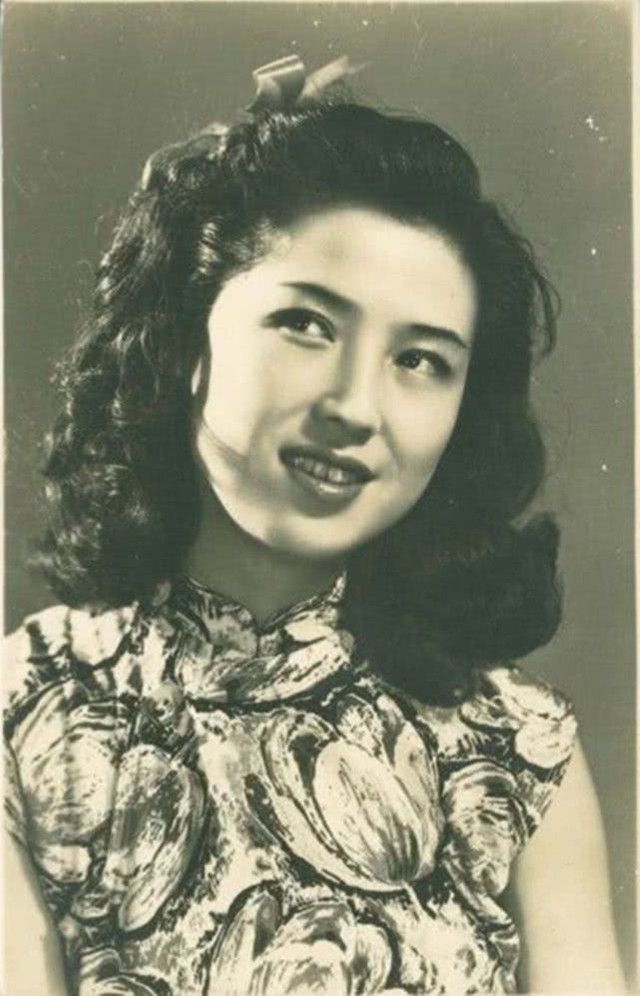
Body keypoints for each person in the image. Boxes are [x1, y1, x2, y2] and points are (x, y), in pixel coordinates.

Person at [3, 56, 625, 995]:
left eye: (420, 361)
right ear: (186, 341)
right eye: (307, 325)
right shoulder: (27, 710)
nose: (354, 407)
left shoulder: (518, 750)